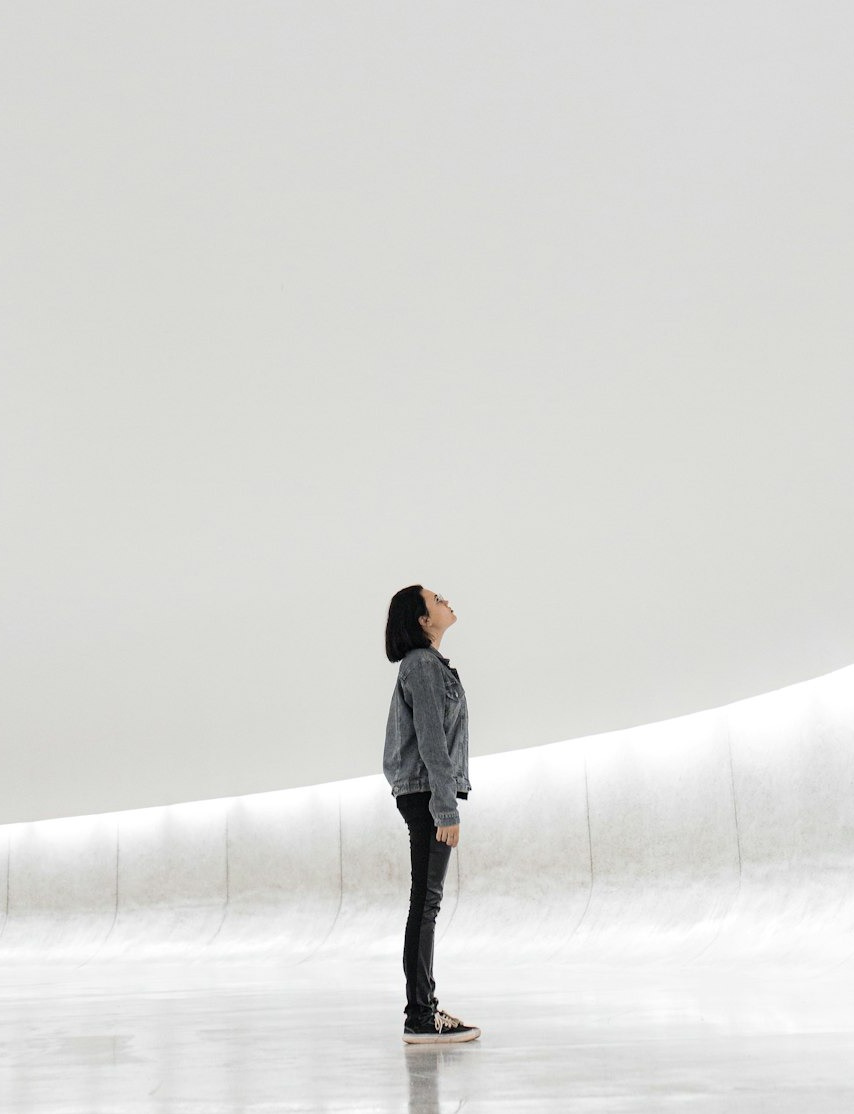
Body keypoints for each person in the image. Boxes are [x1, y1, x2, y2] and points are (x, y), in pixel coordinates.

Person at [383, 584, 481, 1045]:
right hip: (426, 793)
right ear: (423, 620)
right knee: (426, 903)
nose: (447, 601)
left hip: (425, 790)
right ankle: (420, 1015)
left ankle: (423, 1010)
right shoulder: (421, 666)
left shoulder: (428, 665)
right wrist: (445, 807)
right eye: (437, 599)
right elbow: (431, 739)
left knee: (425, 902)